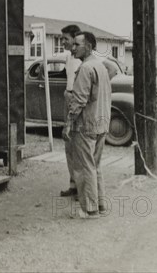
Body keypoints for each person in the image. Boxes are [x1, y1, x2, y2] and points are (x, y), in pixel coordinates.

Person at [63, 31, 112, 219]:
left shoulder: (85, 68)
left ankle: (89, 209)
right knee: (95, 165)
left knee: (84, 167)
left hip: (86, 125)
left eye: (77, 45)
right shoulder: (100, 67)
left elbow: (79, 101)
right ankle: (100, 205)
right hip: (101, 123)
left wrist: (68, 123)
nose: (73, 48)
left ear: (89, 47)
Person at [58, 24, 82, 198]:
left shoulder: (83, 59)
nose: (63, 42)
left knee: (79, 145)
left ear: (75, 38)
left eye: (66, 38)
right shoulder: (69, 58)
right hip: (69, 98)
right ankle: (73, 184)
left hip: (78, 101)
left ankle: (82, 187)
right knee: (69, 145)